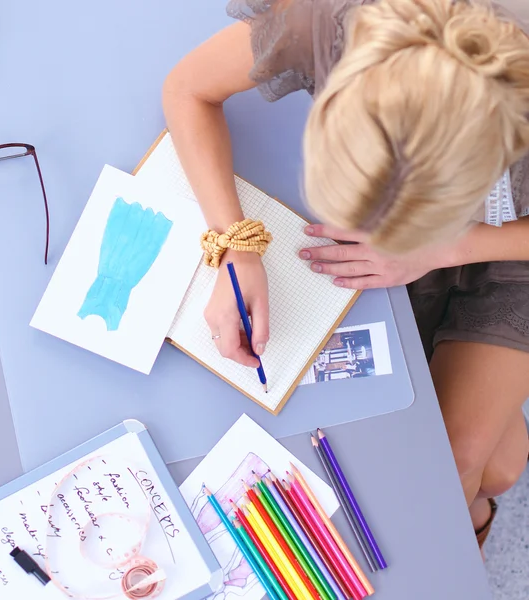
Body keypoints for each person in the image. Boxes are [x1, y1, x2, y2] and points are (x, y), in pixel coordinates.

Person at [163, 0, 529, 550]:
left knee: (459, 470)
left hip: (510, 243)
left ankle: (468, 531)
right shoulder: (324, 17)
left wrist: (450, 245)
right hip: (425, 245)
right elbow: (187, 89)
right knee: (489, 468)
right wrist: (236, 246)